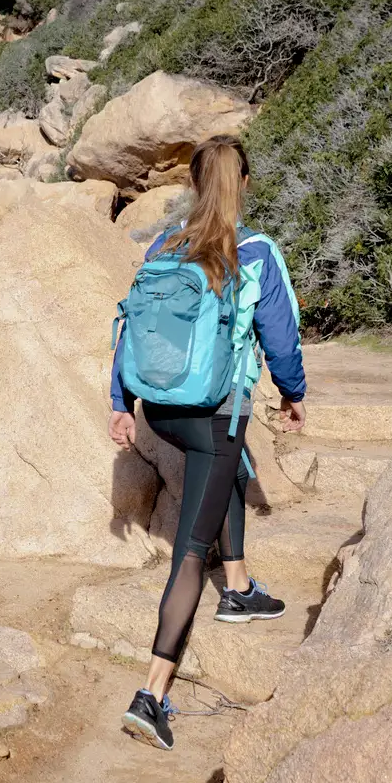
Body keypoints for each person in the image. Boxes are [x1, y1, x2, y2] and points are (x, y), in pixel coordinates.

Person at [108, 135, 307, 751]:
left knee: (231, 467)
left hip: (161, 410)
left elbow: (131, 325)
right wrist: (294, 393)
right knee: (191, 553)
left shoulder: (163, 245)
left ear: (194, 183)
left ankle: (239, 589)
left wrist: (121, 404)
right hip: (214, 413)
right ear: (243, 182)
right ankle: (152, 693)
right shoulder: (256, 250)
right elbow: (281, 339)